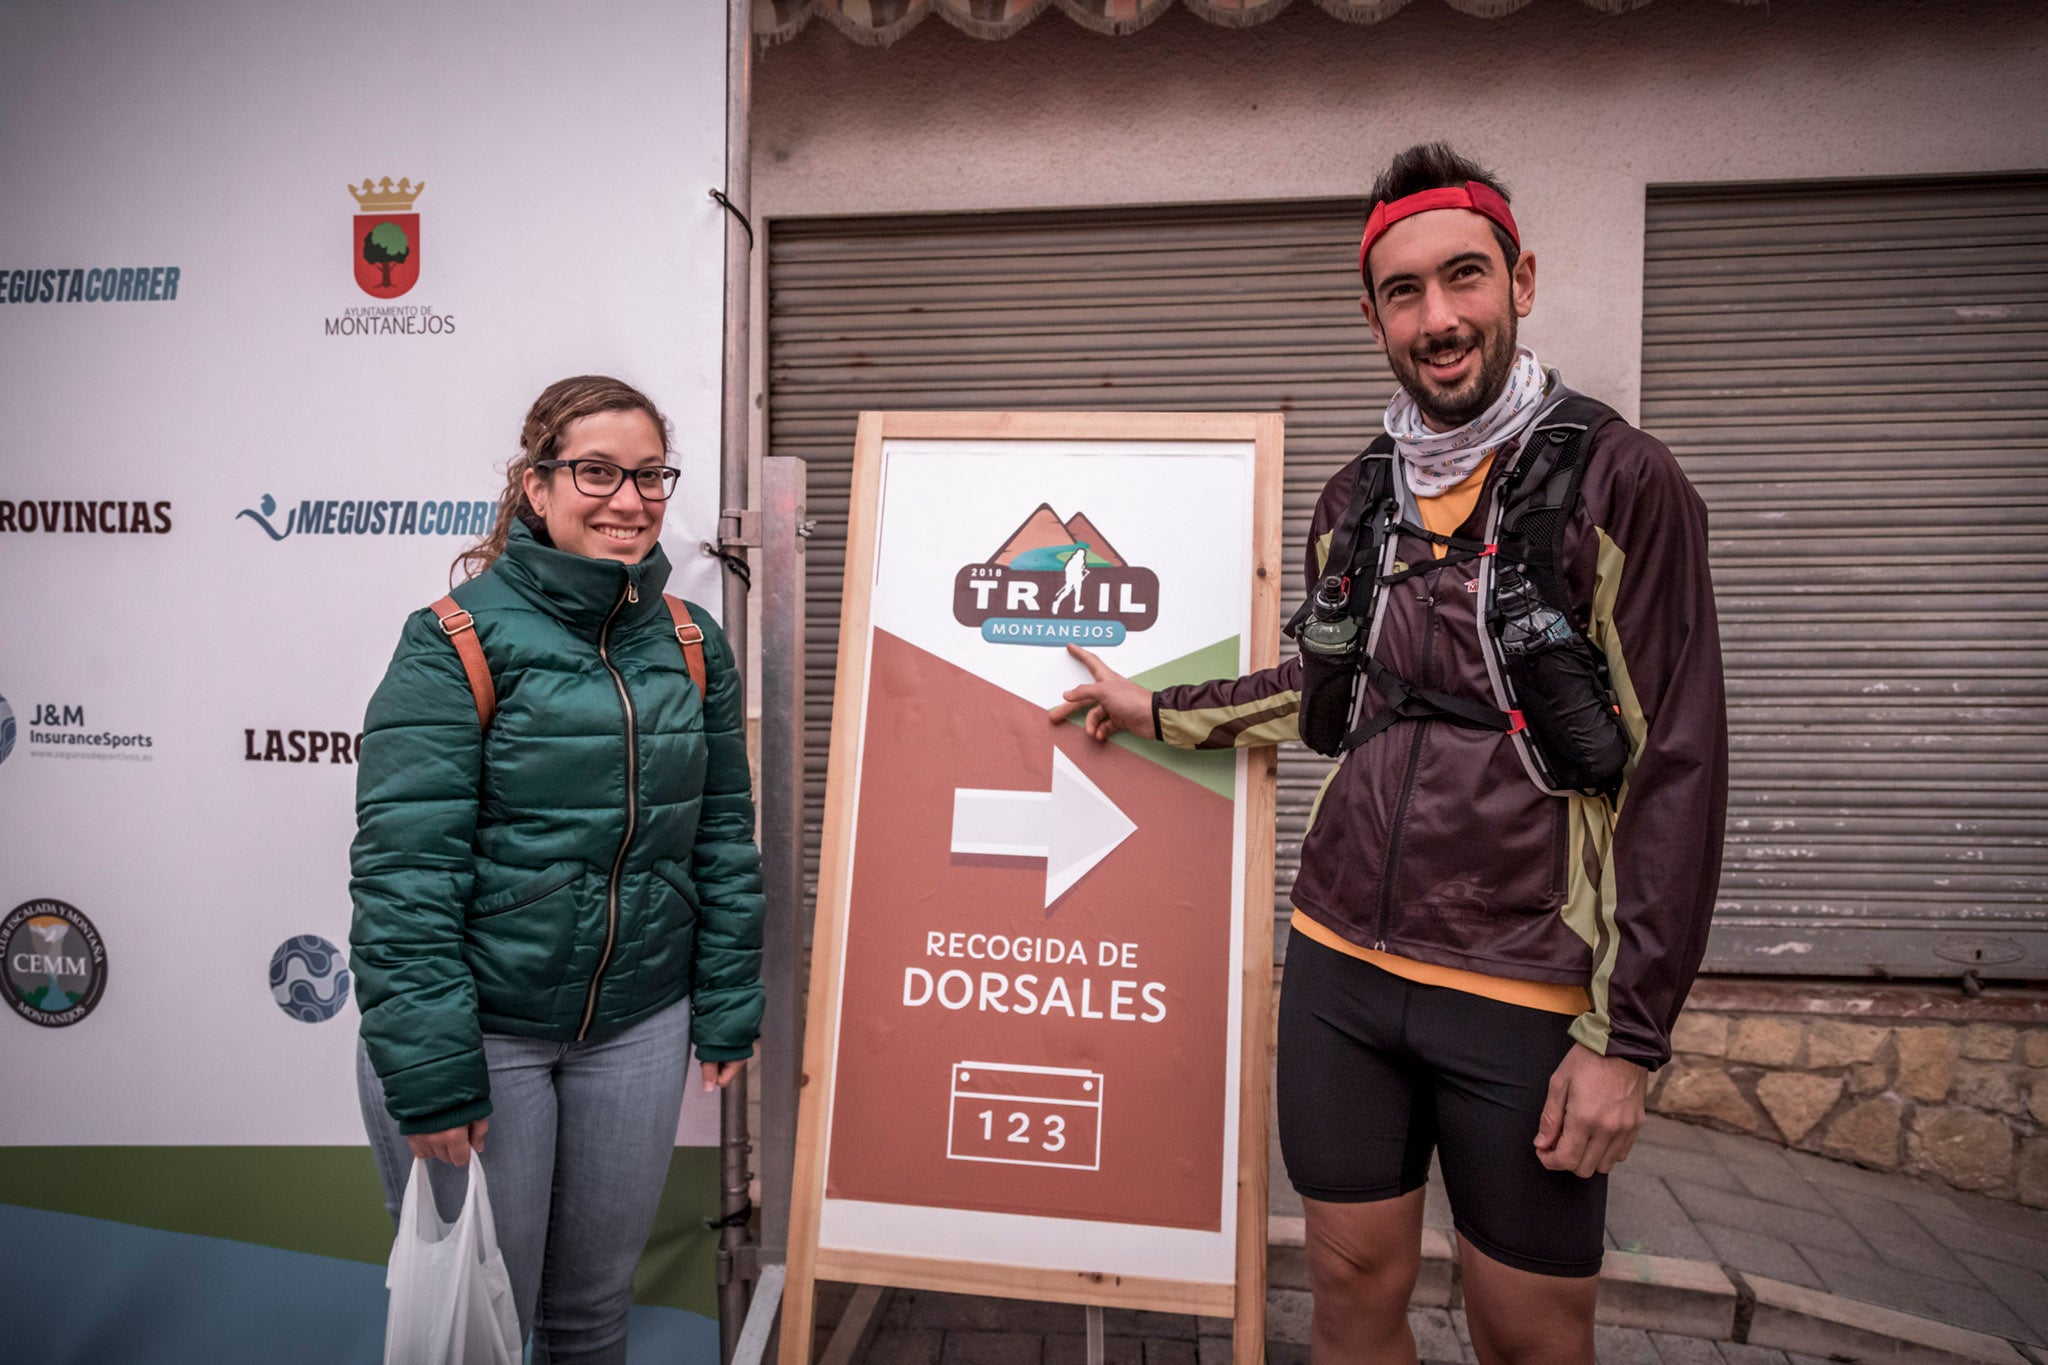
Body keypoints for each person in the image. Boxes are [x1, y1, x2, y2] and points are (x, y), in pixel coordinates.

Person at [1051, 144, 1727, 1364]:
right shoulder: (1356, 494)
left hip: (1523, 982)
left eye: (1462, 279)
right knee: (1349, 1284)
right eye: (1403, 293)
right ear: (1368, 315)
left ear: (1518, 278)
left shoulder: (1619, 480)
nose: (1439, 318)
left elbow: (1676, 765)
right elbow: (1324, 685)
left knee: (1527, 1329)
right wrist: (1161, 710)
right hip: (1337, 969)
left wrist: (1626, 1040)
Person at [350, 374, 763, 1362]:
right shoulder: (453, 640)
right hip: (484, 1037)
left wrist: (726, 997)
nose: (629, 499)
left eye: (650, 475)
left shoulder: (690, 642)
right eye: (596, 472)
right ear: (534, 487)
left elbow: (719, 832)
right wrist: (434, 1075)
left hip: (637, 1025)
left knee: (591, 1318)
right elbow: (406, 870)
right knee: (485, 1327)